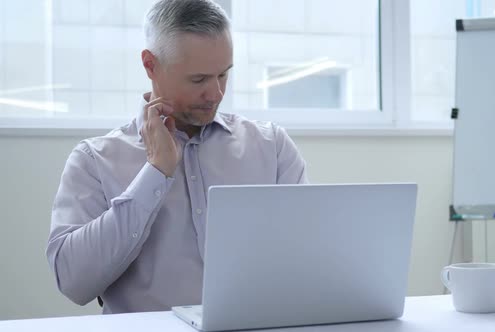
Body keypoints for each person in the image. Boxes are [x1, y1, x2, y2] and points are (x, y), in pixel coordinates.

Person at [46, 0, 307, 314]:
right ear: (150, 66)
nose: (216, 94)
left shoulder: (272, 147)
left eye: (223, 75)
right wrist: (155, 172)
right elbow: (74, 283)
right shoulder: (94, 160)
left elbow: (308, 258)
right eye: (198, 80)